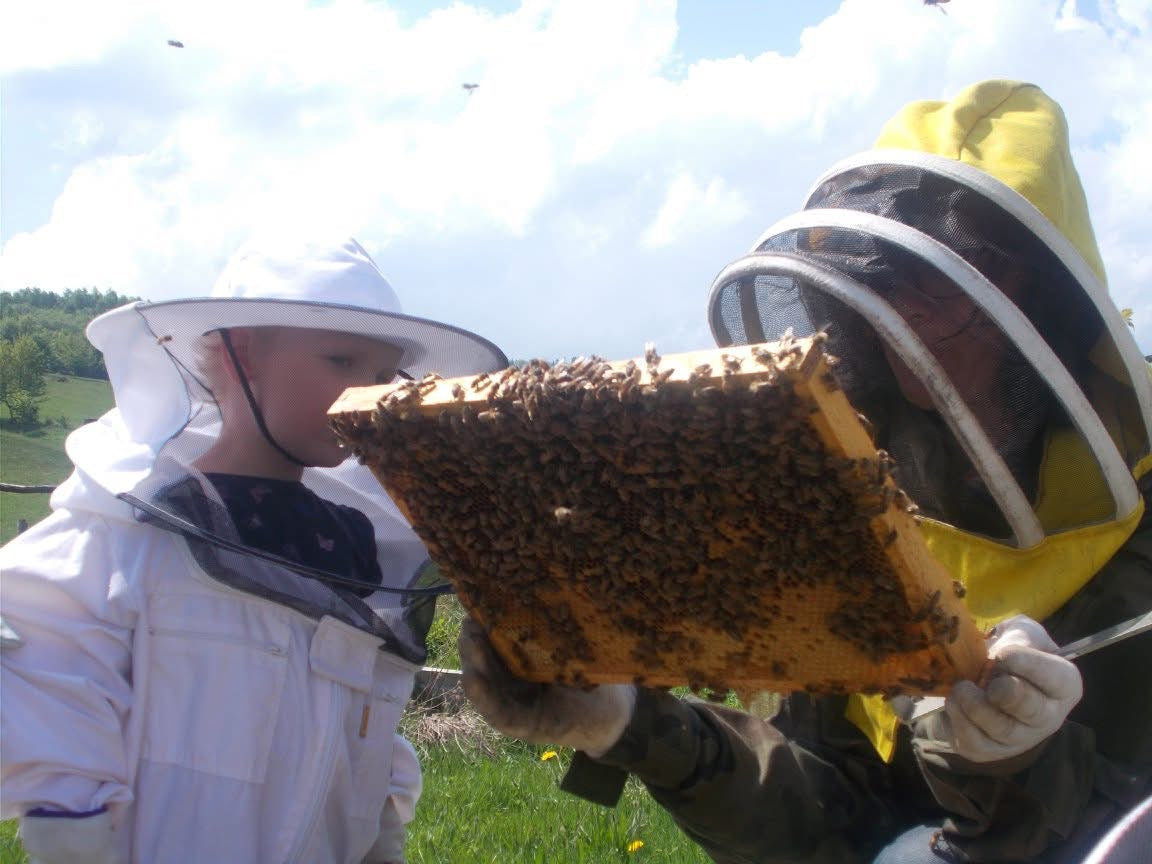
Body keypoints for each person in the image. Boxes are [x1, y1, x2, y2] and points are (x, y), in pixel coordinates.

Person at [459, 80, 1152, 863]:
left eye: (956, 275)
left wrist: (1017, 765)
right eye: (887, 276)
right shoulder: (851, 506)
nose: (912, 313)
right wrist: (630, 726)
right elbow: (832, 827)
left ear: (1041, 291)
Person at [0, 236, 507, 863]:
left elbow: (367, 731)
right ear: (240, 353)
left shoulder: (351, 548)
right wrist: (72, 835)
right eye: (341, 359)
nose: (365, 394)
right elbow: (53, 685)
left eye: (381, 375)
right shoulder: (124, 531)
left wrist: (381, 837)